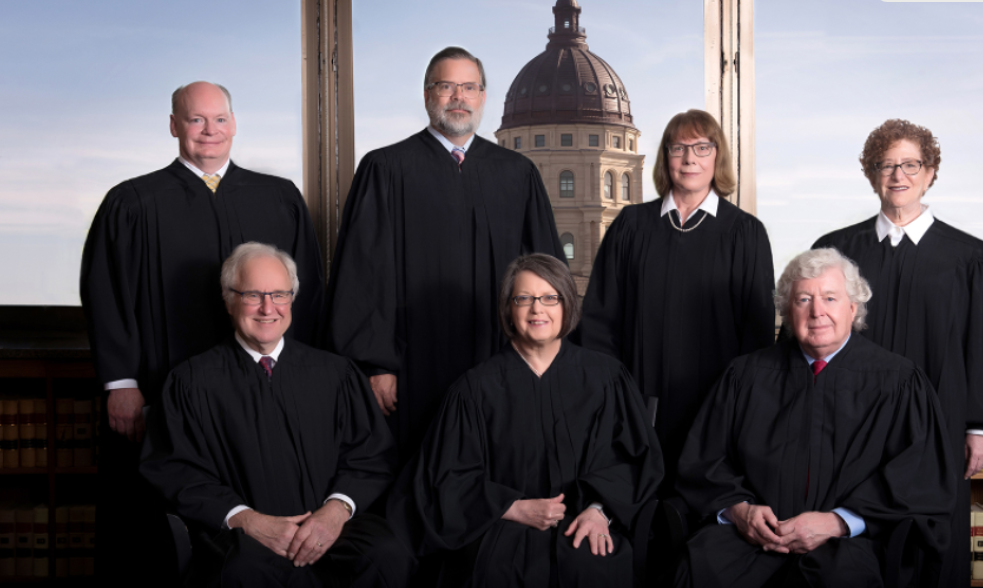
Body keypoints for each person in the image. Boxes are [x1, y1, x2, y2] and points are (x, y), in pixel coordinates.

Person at [80, 81, 324, 584]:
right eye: (196, 120)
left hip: (259, 387)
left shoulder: (278, 198)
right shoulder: (133, 202)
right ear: (174, 126)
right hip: (162, 386)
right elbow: (106, 294)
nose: (209, 131)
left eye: (219, 120)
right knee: (159, 526)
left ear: (234, 125)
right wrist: (121, 382)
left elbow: (308, 292)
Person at [810, 119, 983, 586]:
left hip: (939, 428)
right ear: (870, 173)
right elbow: (810, 339)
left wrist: (979, 428)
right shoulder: (837, 252)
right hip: (850, 426)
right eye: (886, 165)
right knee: (851, 545)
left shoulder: (970, 257)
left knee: (931, 551)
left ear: (931, 172)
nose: (898, 175)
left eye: (911, 164)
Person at [326, 47, 565, 463]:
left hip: (499, 355)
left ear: (483, 97)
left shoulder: (517, 173)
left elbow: (545, 273)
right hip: (412, 363)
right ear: (426, 94)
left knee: (497, 459)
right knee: (417, 465)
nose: (459, 97)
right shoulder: (385, 168)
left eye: (469, 87)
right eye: (446, 86)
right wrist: (375, 365)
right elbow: (363, 275)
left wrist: (539, 352)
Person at [674, 248, 955, 588]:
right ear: (787, 311)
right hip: (753, 538)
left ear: (853, 308)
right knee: (700, 569)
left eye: (830, 298)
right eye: (803, 299)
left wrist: (838, 522)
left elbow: (918, 477)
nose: (817, 311)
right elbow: (705, 459)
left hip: (849, 541)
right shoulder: (745, 376)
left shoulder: (897, 380)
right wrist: (739, 510)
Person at [142, 243, 413, 588]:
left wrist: (335, 512)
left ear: (292, 299)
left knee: (387, 555)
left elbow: (371, 456)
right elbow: (175, 469)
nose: (268, 308)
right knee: (241, 573)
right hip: (245, 538)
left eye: (280, 295)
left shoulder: (335, 374)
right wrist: (248, 521)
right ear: (228, 299)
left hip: (329, 530)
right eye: (253, 294)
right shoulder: (191, 382)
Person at [388, 254, 663, 587]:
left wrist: (599, 509)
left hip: (583, 524)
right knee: (491, 572)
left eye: (550, 297)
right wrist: (512, 507)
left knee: (592, 566)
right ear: (508, 309)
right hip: (498, 529)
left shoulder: (607, 378)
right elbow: (445, 480)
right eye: (524, 299)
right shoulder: (475, 389)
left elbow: (636, 459)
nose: (537, 309)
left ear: (567, 306)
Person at [577, 109, 774, 494]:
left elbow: (757, 336)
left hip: (714, 407)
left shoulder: (745, 233)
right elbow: (600, 320)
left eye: (702, 147)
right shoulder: (631, 227)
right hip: (636, 404)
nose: (689, 159)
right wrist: (617, 398)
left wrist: (734, 410)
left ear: (717, 156)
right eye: (678, 148)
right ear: (665, 157)